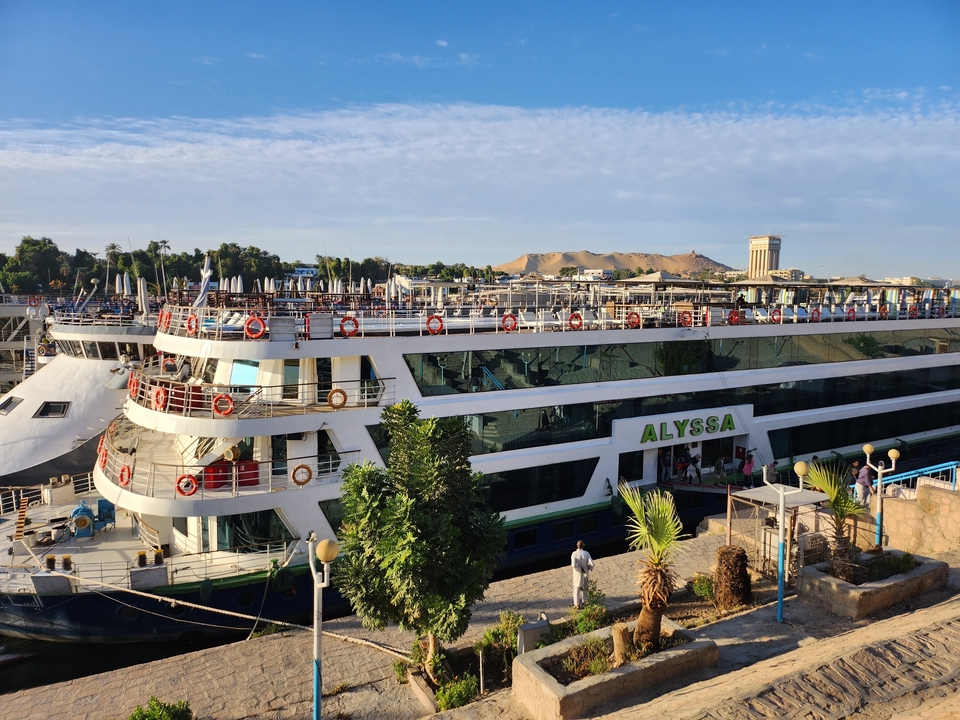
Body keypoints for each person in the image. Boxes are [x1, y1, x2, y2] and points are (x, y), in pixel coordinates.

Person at [571, 540, 595, 609]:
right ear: (583, 546)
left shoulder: (574, 554)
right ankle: (585, 602)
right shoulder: (586, 553)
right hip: (585, 574)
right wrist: (588, 568)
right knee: (585, 589)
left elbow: (573, 565)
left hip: (577, 575)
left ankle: (577, 605)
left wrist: (580, 569)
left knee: (576, 589)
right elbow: (592, 564)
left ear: (577, 545)